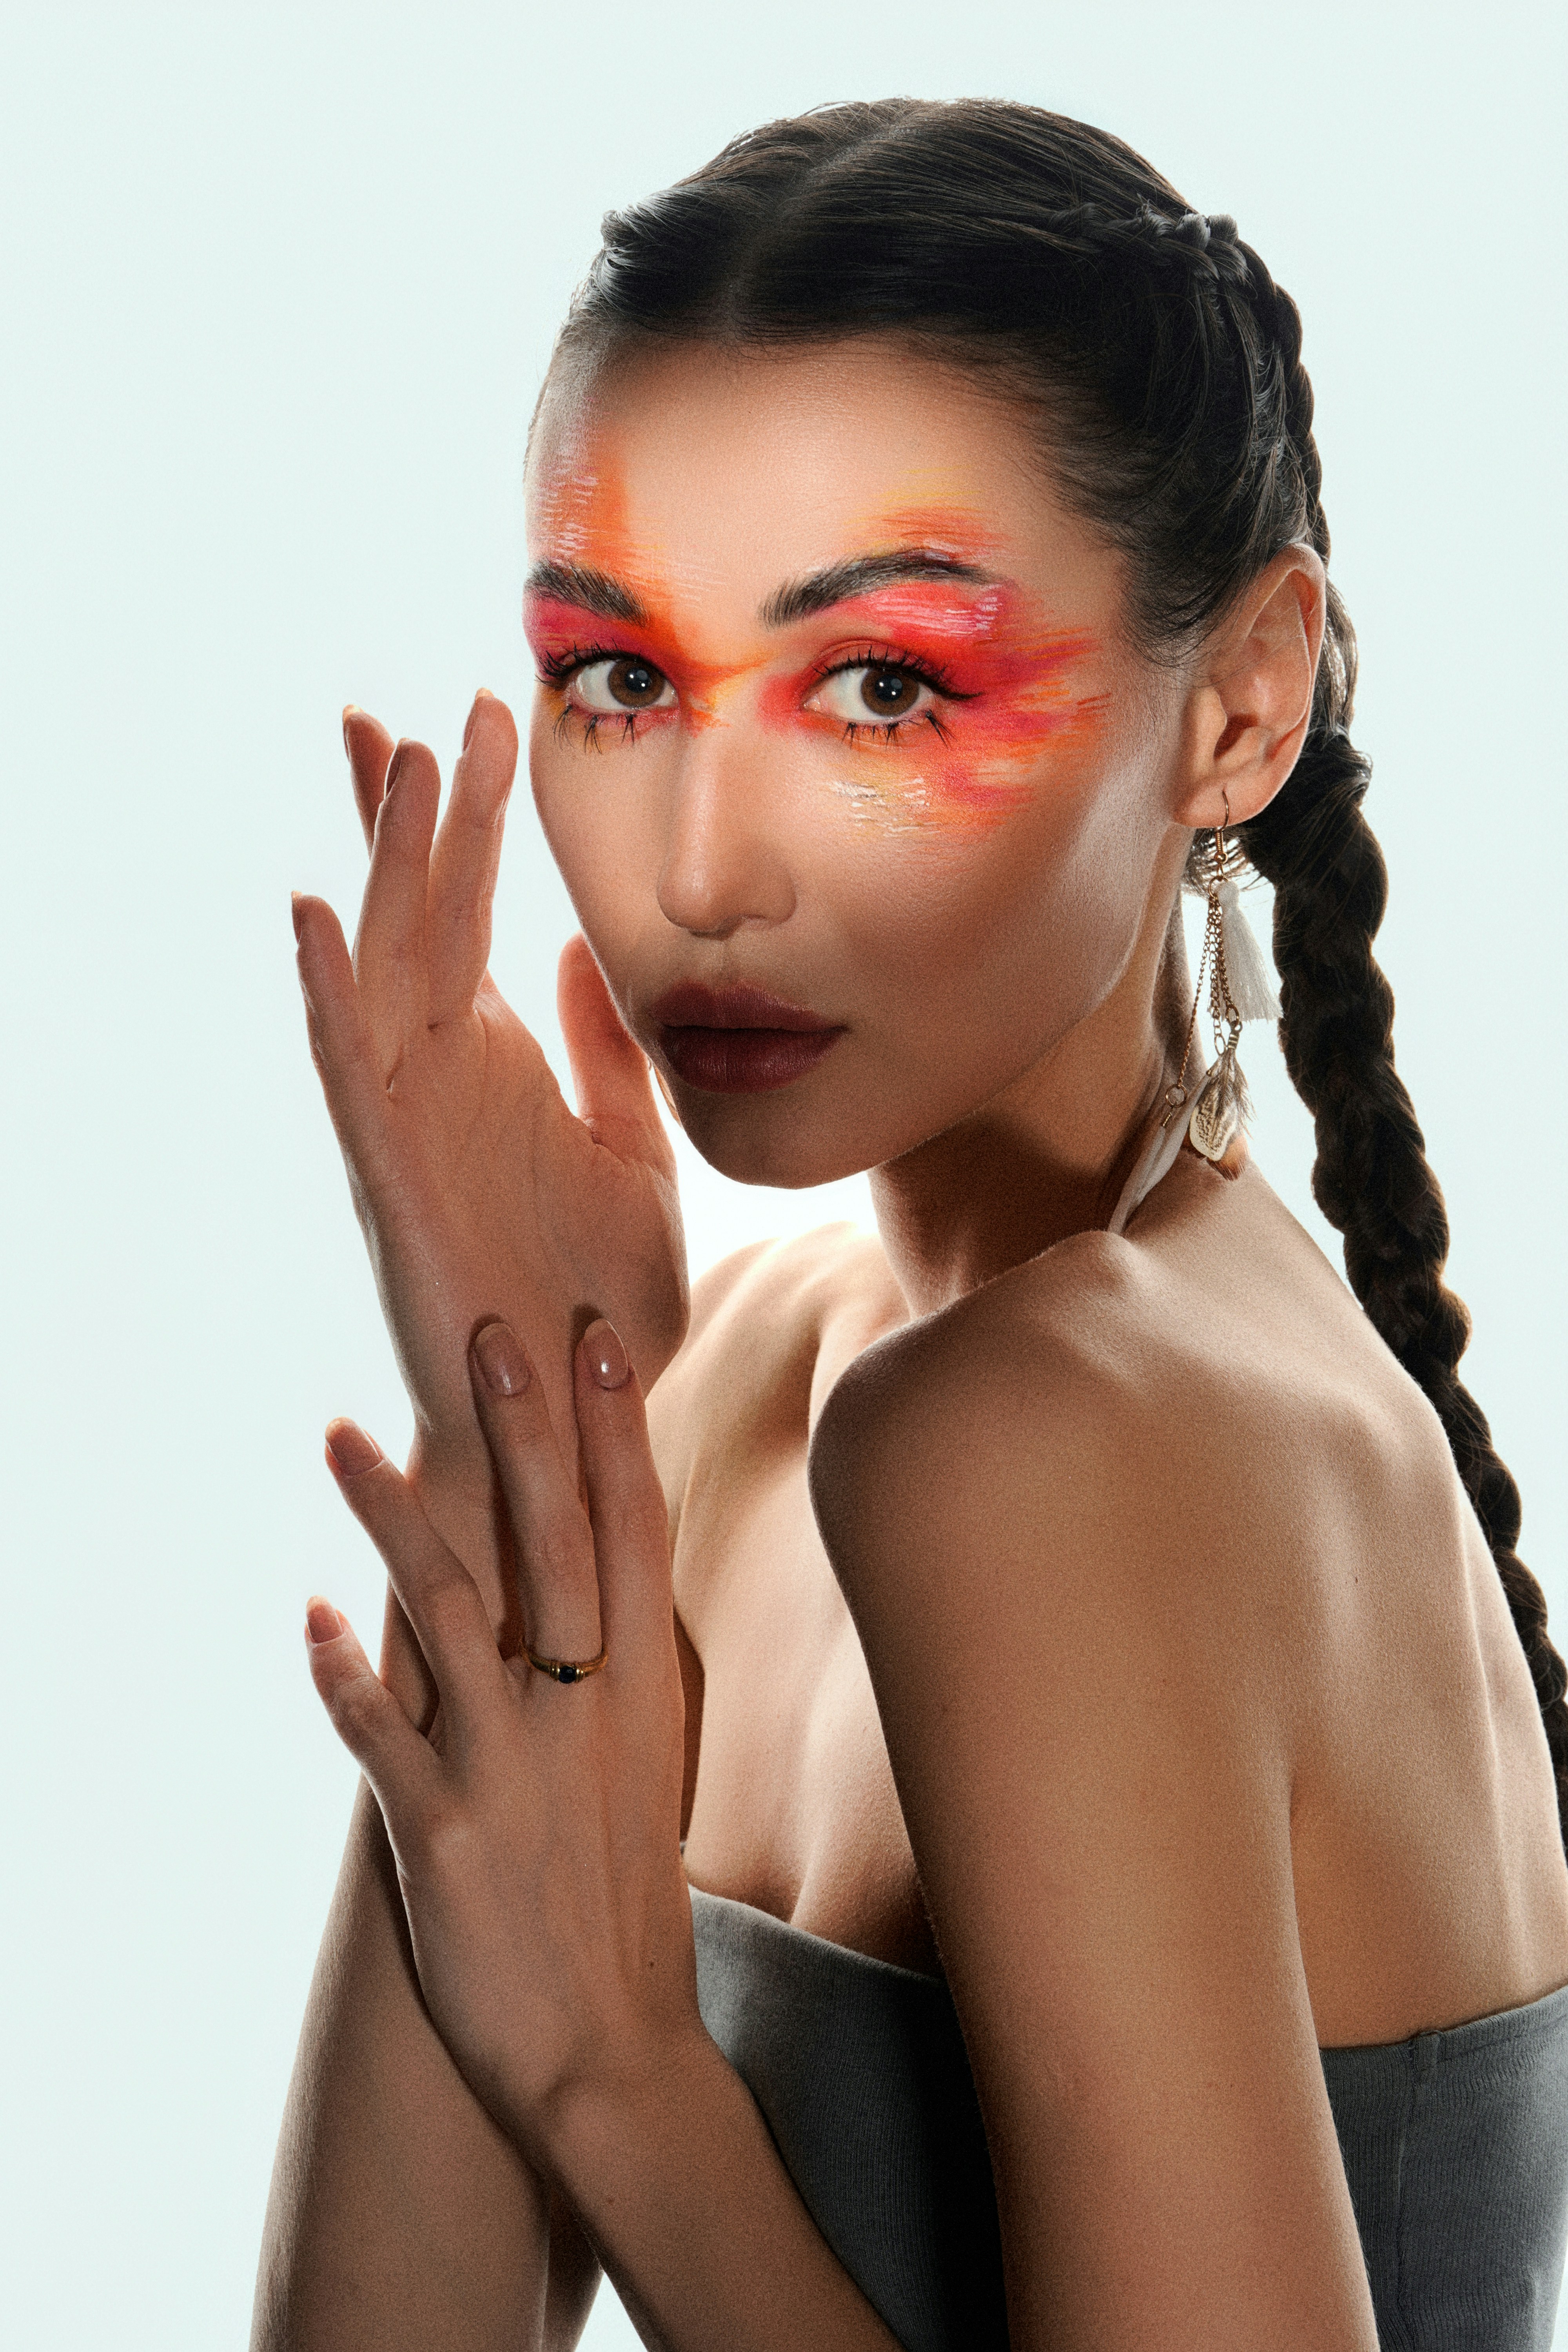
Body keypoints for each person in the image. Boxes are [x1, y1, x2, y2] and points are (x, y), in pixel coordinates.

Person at [253, 99, 1568, 2352]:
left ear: (1241, 702)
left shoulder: (1044, 1438)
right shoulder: (761, 1373)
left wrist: (626, 2081)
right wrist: (527, 1416)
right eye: (623, 680)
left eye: (884, 687)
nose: (700, 868)